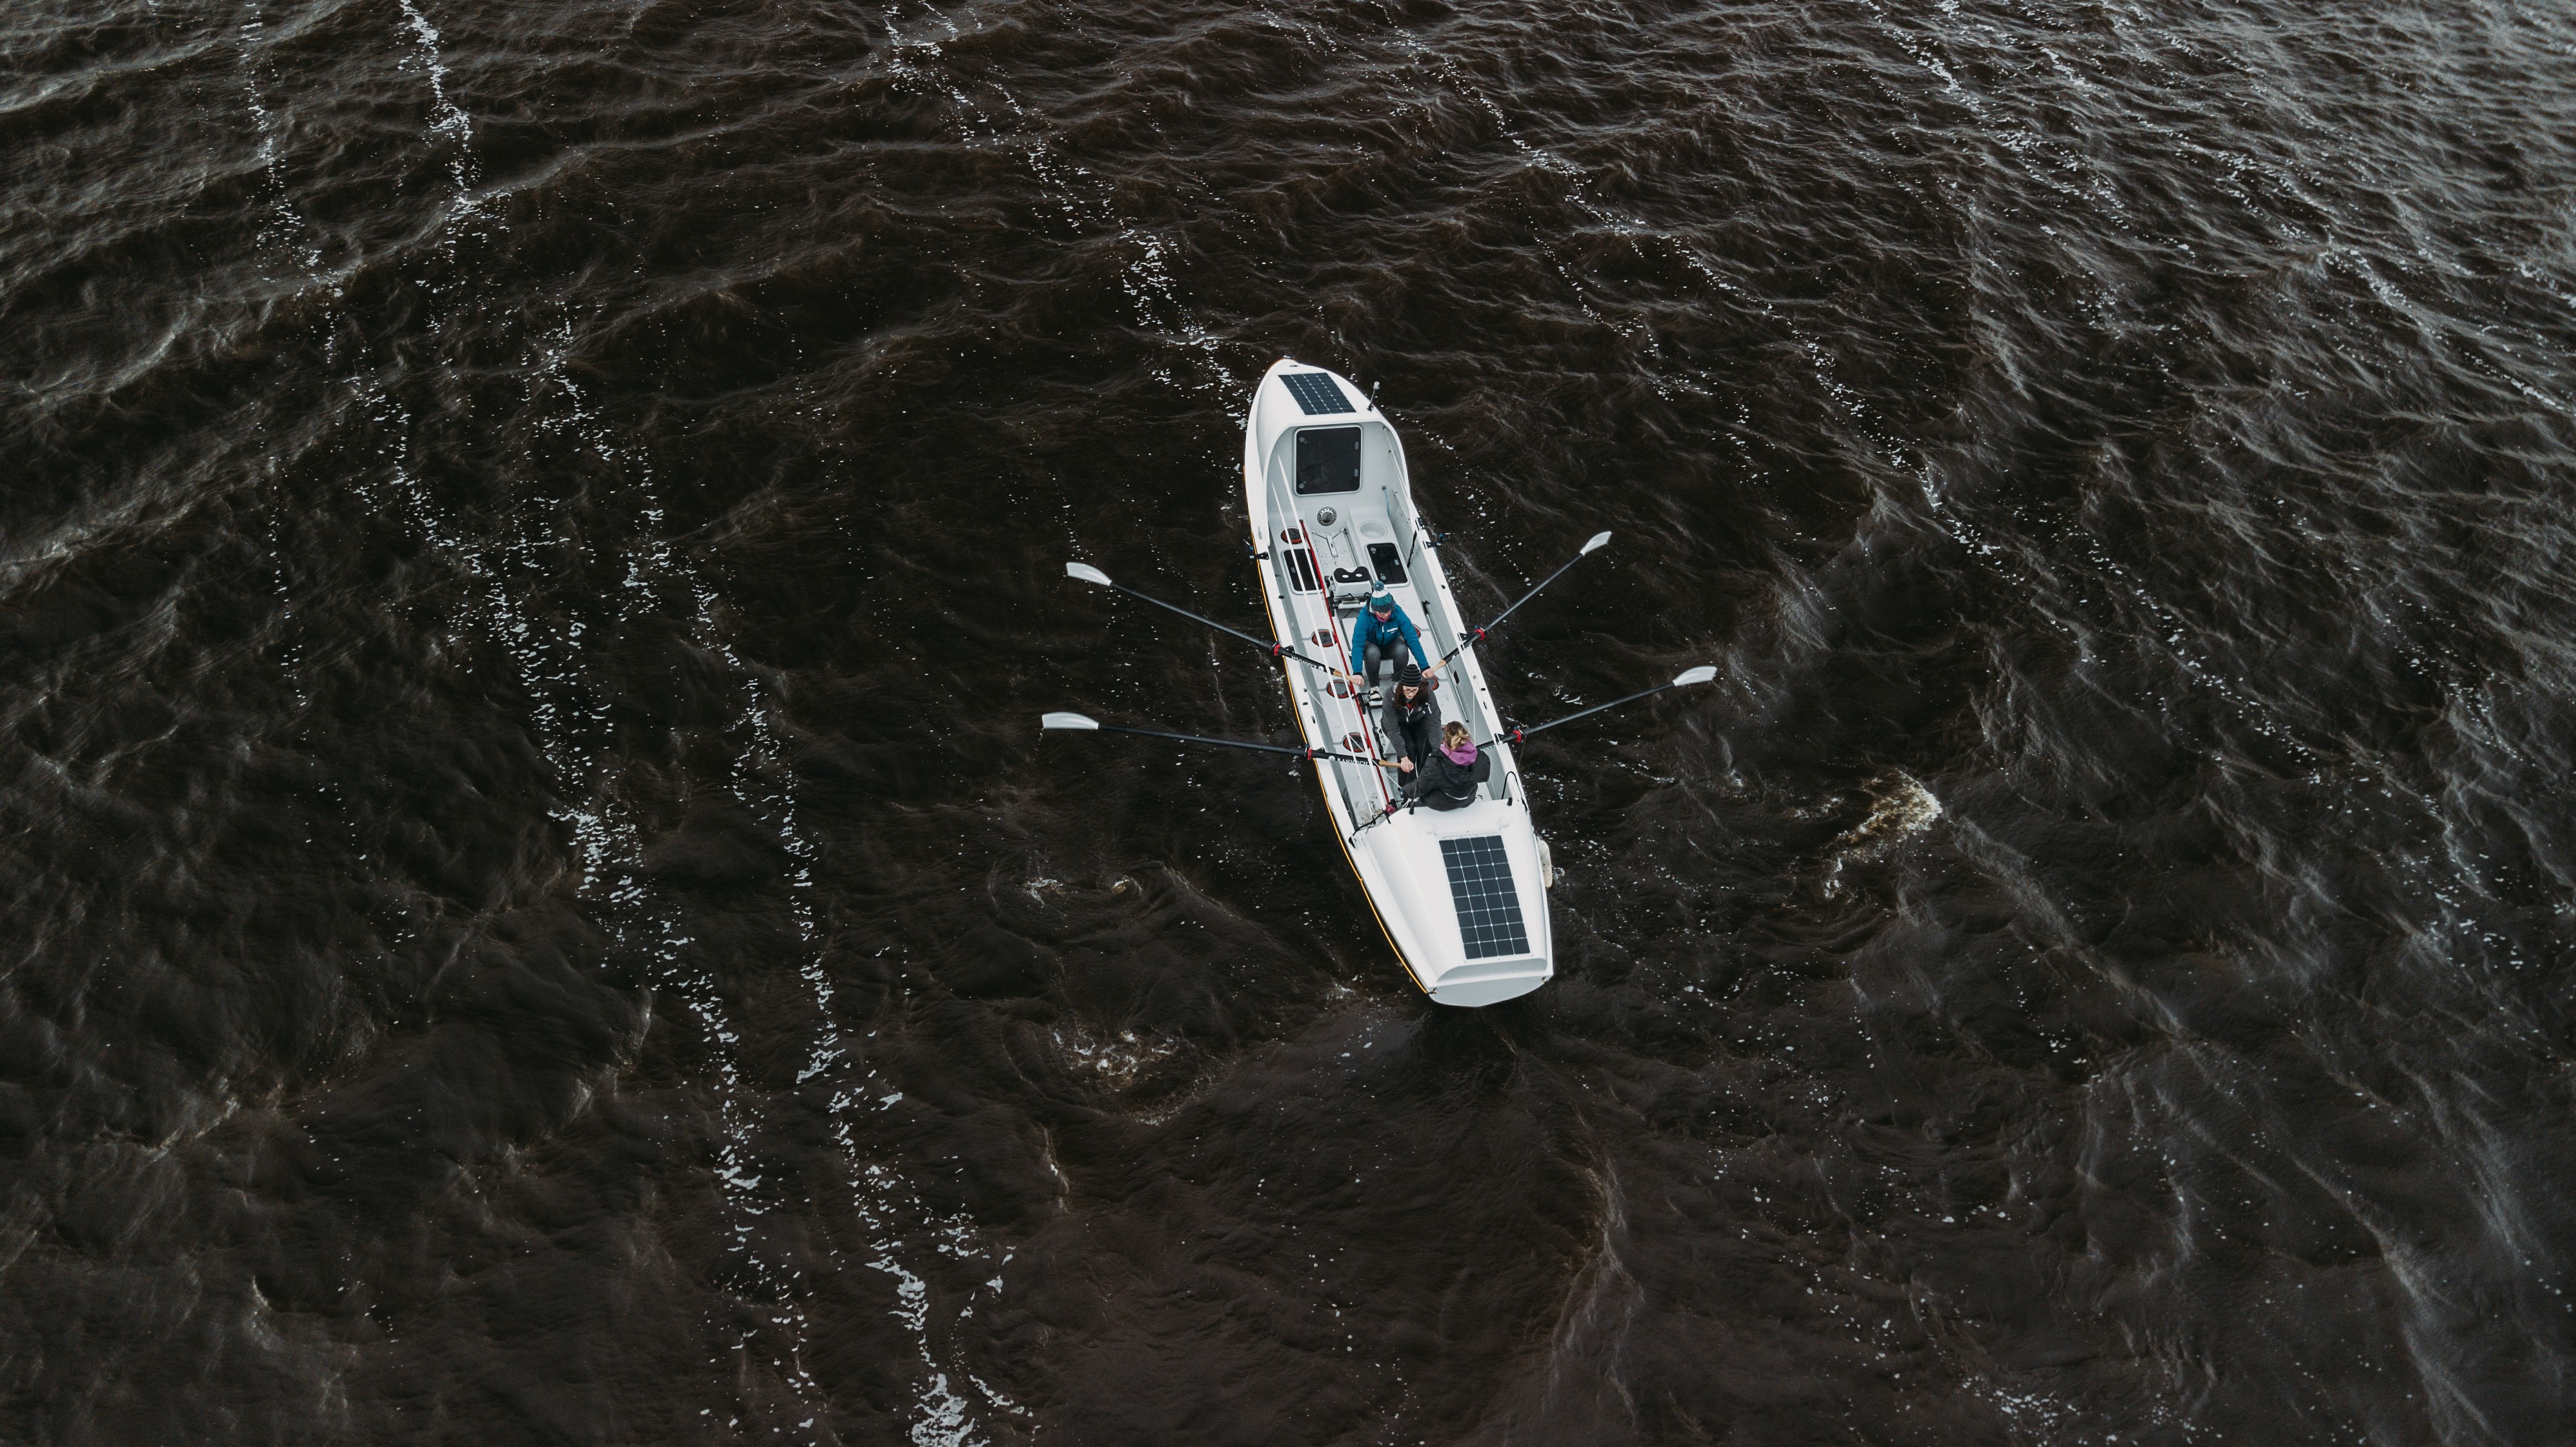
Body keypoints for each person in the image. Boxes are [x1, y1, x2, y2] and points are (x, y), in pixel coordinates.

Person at [1345, 588, 1425, 702]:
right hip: (1371, 645)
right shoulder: (1365, 617)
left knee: (1402, 649)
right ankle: (1374, 688)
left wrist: (1424, 666)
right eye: (1383, 613)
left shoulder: (1397, 612)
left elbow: (1412, 638)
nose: (1387, 615)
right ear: (1375, 611)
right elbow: (1358, 644)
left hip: (1390, 644)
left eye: (1389, 611)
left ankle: (1398, 684)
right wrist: (1357, 672)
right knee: (1373, 653)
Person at [1407, 720, 1490, 811]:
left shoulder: (1436, 763)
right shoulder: (1482, 757)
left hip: (1441, 804)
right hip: (1467, 800)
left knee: (1421, 799)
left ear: (1445, 740)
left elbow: (1420, 787)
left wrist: (1403, 792)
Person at [1382, 660, 1439, 776]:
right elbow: (1392, 728)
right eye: (1407, 690)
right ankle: (1408, 786)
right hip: (1398, 723)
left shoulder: (1427, 692)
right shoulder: (1390, 695)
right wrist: (1403, 757)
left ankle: (1425, 780)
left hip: (1418, 719)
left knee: (1425, 746)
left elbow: (1434, 720)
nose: (1411, 694)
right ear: (1401, 686)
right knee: (1409, 749)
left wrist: (1437, 750)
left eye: (1414, 690)